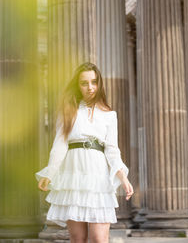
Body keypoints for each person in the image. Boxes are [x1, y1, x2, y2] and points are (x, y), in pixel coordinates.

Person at [35, 62, 134, 243]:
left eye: (94, 82)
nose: (90, 87)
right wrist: (50, 172)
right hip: (74, 178)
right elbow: (60, 145)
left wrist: (123, 177)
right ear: (78, 86)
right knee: (77, 238)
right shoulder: (68, 112)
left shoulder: (109, 115)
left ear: (99, 84)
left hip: (98, 178)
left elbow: (112, 150)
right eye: (84, 83)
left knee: (99, 239)